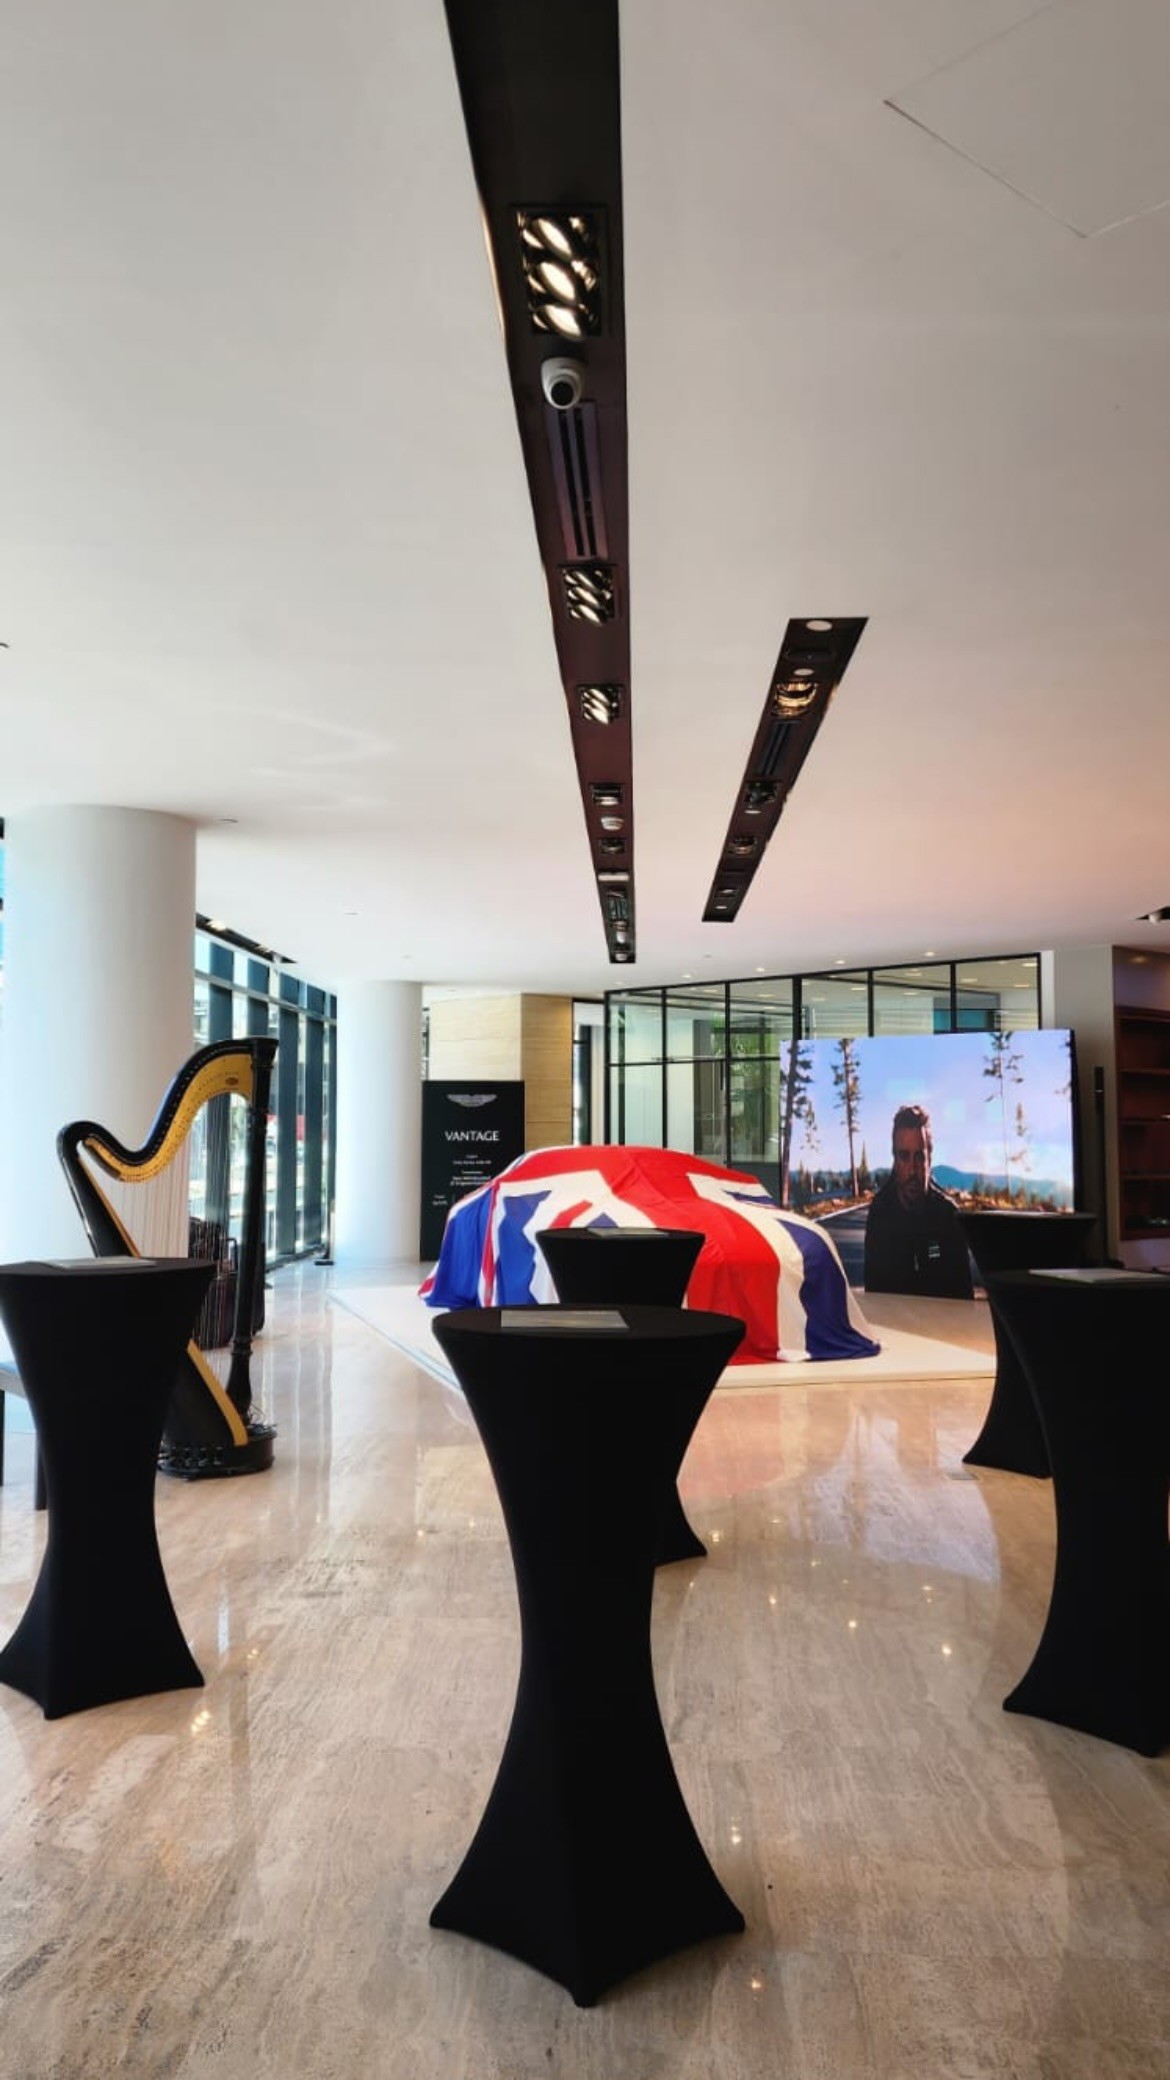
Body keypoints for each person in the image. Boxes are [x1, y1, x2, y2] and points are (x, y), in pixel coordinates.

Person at [863, 1103, 974, 1300]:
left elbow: (964, 1297)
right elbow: (874, 1295)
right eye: (904, 1156)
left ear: (930, 1160)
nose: (912, 1170)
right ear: (895, 1160)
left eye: (919, 1157)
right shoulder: (880, 1213)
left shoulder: (948, 1216)